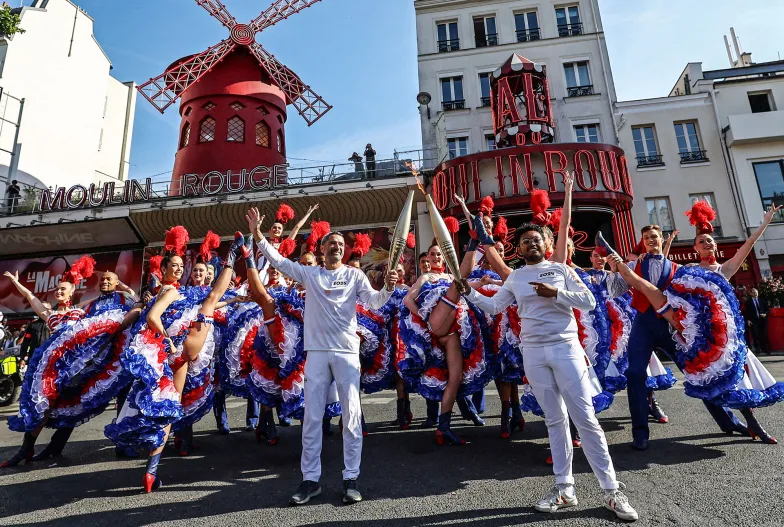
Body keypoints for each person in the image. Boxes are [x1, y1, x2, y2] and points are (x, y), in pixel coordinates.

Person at [461, 222, 638, 521]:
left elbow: (588, 301)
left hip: (566, 348)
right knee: (554, 420)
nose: (531, 244)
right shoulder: (516, 277)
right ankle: (565, 488)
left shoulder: (562, 270)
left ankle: (611, 490)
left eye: (536, 239)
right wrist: (468, 292)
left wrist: (556, 293)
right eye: (525, 241)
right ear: (519, 250)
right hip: (533, 353)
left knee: (585, 419)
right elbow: (494, 307)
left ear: (545, 244)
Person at [248, 207, 396, 506]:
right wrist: (258, 236)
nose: (337, 247)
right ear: (322, 249)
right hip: (316, 353)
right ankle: (310, 480)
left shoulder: (354, 275)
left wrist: (389, 288)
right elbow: (279, 261)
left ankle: (351, 478)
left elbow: (375, 302)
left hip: (346, 353)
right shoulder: (310, 273)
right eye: (332, 244)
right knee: (312, 418)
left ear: (344, 250)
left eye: (341, 244)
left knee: (351, 416)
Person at [603, 202, 784, 444]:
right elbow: (615, 291)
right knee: (635, 374)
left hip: (672, 327)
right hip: (643, 324)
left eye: (654, 236)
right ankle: (640, 434)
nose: (651, 240)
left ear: (661, 239)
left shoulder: (679, 269)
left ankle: (728, 421)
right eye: (646, 238)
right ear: (643, 242)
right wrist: (614, 269)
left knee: (701, 371)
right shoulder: (634, 265)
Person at [745, 288, 769, 355]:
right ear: (751, 294)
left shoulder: (762, 300)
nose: (755, 293)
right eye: (753, 292)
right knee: (755, 335)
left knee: (763, 334)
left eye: (756, 292)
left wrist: (765, 314)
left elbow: (767, 309)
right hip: (753, 321)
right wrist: (748, 320)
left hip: (762, 320)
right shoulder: (748, 302)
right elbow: (746, 312)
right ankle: (757, 349)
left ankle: (765, 349)